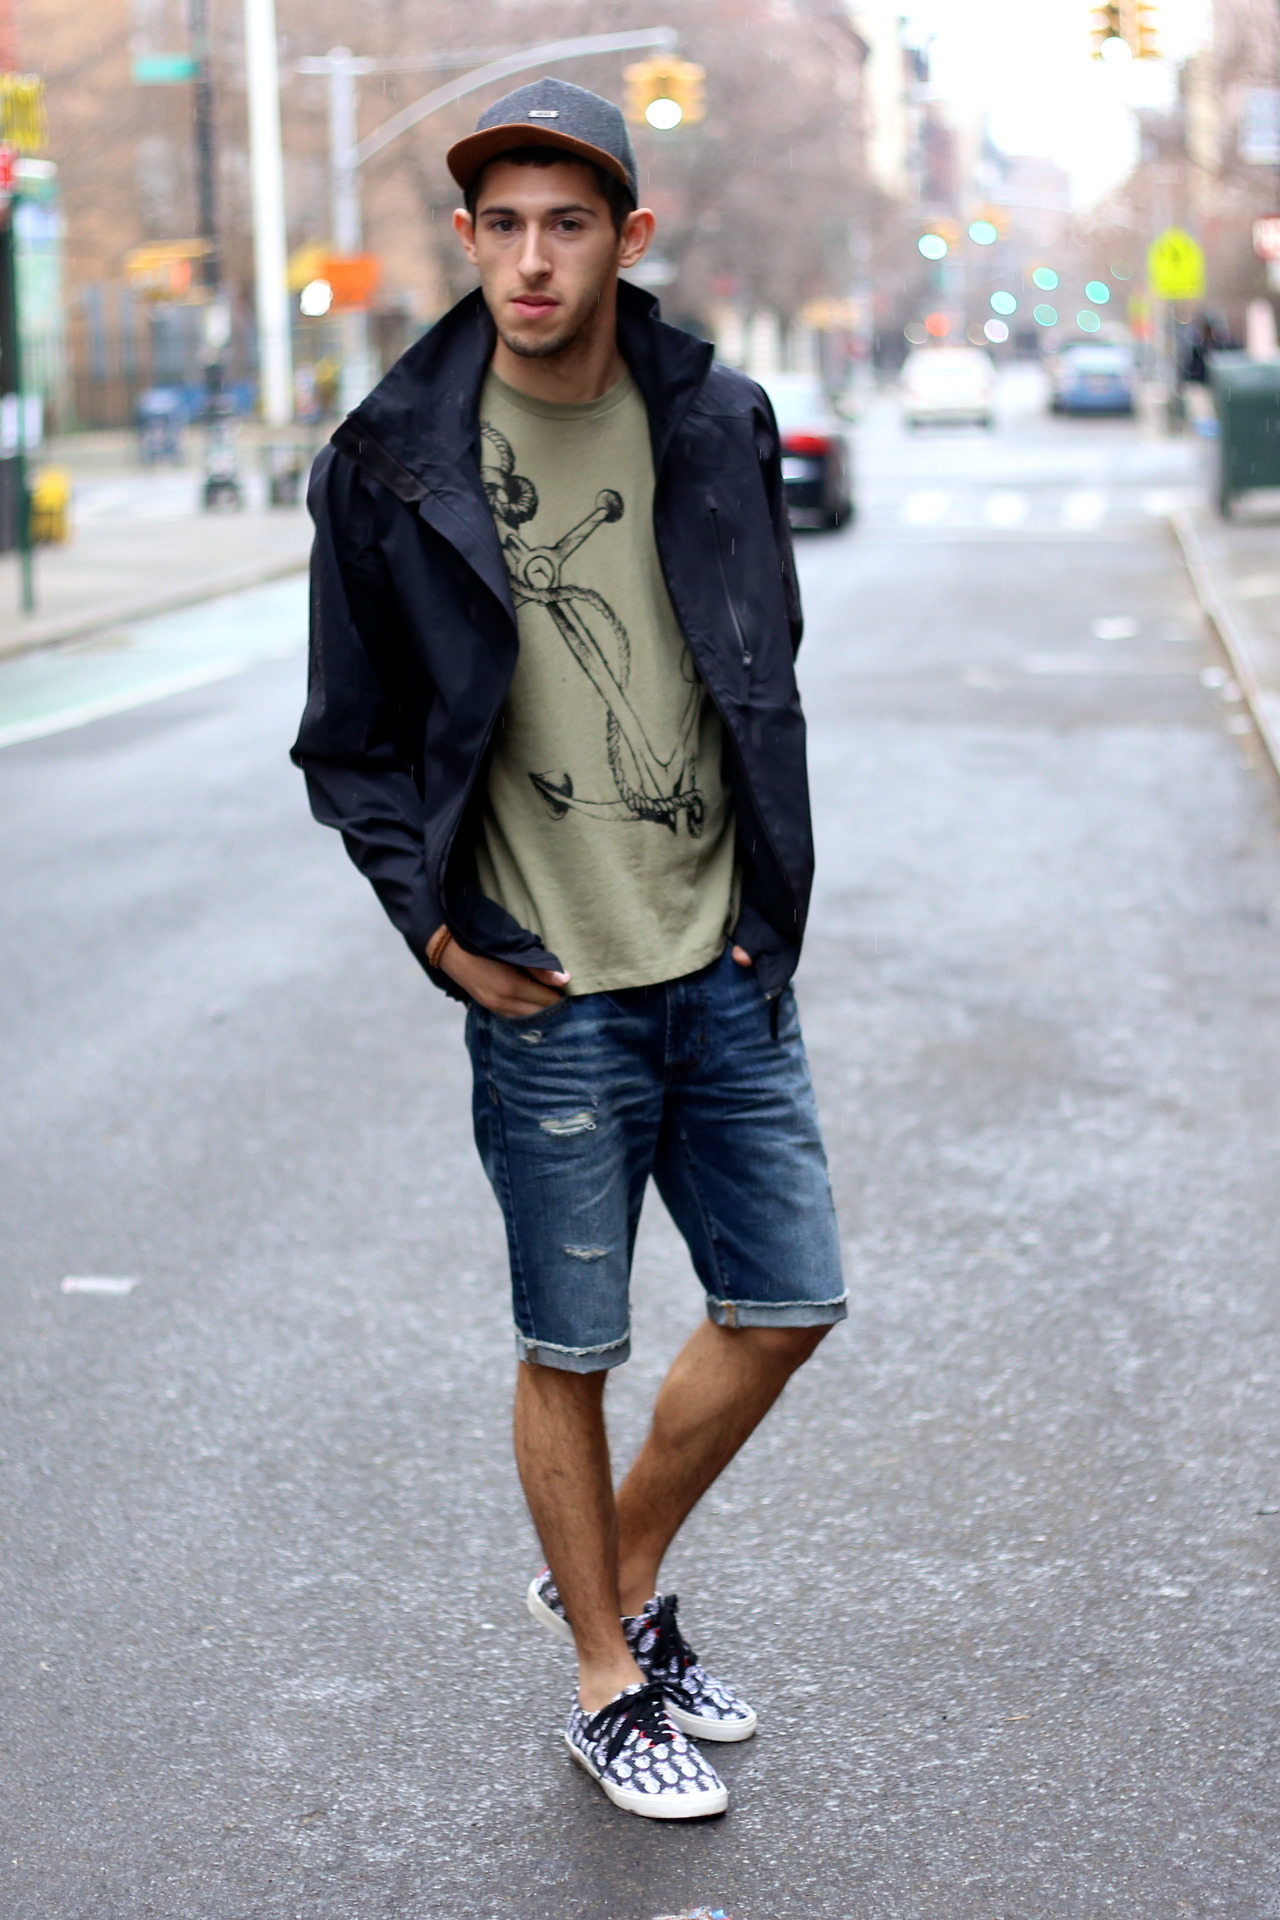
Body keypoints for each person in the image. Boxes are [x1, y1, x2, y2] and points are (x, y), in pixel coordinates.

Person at [292, 77, 845, 1821]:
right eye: (504, 226)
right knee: (572, 1345)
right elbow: (350, 745)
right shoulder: (388, 464)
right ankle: (608, 1678)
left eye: (569, 225)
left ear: (626, 238)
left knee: (789, 1303)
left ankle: (610, 1573)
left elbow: (762, 659)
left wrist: (767, 906)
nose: (533, 260)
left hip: (719, 963)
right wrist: (437, 933)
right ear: (469, 240)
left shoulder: (716, 417)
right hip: (546, 986)